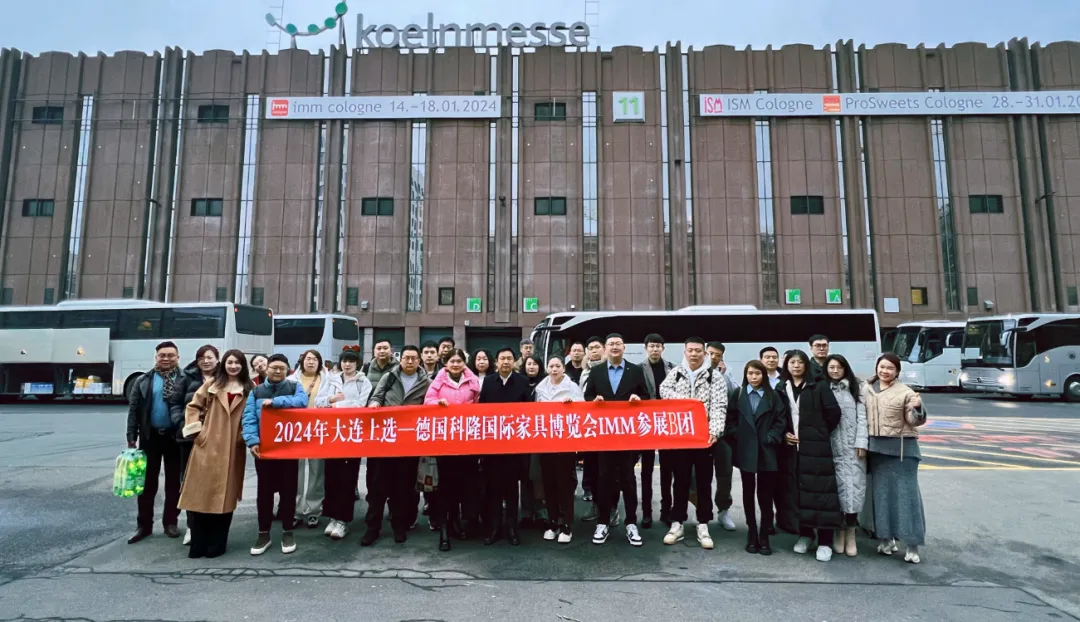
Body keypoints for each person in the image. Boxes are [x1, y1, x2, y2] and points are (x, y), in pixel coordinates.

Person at [178, 349, 253, 558]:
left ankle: (217, 543)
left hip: (233, 448)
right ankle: (198, 542)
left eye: (237, 363)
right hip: (206, 446)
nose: (233, 366)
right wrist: (198, 432)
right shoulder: (212, 384)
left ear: (243, 366)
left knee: (225, 496)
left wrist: (244, 437)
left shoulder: (249, 388)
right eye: (230, 362)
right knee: (200, 493)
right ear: (224, 364)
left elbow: (255, 415)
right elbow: (193, 406)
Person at [659, 337, 728, 550]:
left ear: (704, 353)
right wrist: (688, 402)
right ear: (685, 351)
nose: (694, 354)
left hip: (704, 438)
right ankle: (677, 522)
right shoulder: (676, 372)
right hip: (681, 436)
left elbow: (719, 405)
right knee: (679, 480)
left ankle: (703, 523)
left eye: (698, 350)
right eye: (690, 350)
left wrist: (715, 431)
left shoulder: (714, 376)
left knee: (704, 481)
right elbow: (663, 391)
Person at [362, 346, 432, 546]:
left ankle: (399, 526)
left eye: (413, 358)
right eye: (406, 358)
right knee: (377, 488)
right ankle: (372, 528)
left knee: (402, 488)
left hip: (409, 442)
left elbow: (431, 403)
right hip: (385, 439)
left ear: (419, 361)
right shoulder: (389, 377)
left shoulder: (426, 382)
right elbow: (377, 396)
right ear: (400, 360)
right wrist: (374, 405)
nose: (409, 361)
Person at [778, 349, 843, 562]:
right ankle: (805, 534)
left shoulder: (818, 386)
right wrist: (784, 434)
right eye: (792, 362)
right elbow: (779, 416)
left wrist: (818, 433)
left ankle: (825, 541)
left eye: (800, 362)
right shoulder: (782, 387)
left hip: (817, 449)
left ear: (806, 365)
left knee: (821, 494)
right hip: (792, 450)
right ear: (786, 365)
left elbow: (834, 413)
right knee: (799, 494)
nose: (796, 366)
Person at [584, 333, 648, 547]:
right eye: (610, 344)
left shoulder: (635, 371)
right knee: (604, 479)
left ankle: (631, 523)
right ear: (605, 348)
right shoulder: (596, 371)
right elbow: (587, 397)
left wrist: (638, 399)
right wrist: (594, 400)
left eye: (618, 344)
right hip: (604, 435)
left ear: (624, 347)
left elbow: (646, 397)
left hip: (628, 435)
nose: (614, 347)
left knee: (628, 479)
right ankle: (603, 522)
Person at [862, 353, 927, 564]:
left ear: (897, 371)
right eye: (882, 367)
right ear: (876, 368)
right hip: (876, 452)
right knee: (881, 499)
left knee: (907, 499)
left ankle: (912, 545)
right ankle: (887, 540)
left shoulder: (906, 392)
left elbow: (914, 421)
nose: (885, 371)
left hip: (902, 452)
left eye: (890, 368)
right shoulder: (866, 389)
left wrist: (918, 408)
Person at [241, 353, 308, 555]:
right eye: (274, 367)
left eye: (282, 368)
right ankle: (264, 533)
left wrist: (276, 402)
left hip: (289, 449)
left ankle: (288, 531)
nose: (278, 371)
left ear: (288, 370)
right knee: (264, 493)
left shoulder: (294, 387)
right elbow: (249, 417)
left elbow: (302, 401)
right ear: (267, 368)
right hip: (265, 450)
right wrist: (252, 441)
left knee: (289, 492)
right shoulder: (257, 391)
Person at [727, 360, 788, 555]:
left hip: (767, 450)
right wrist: (738, 435)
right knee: (747, 492)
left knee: (765, 495)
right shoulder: (738, 395)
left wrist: (771, 437)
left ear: (764, 375)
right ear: (745, 375)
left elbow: (781, 420)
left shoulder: (773, 396)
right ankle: (751, 532)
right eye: (750, 373)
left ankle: (764, 534)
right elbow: (730, 419)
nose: (753, 377)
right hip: (746, 450)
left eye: (757, 374)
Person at [126, 341, 184, 544]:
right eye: (162, 355)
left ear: (178, 358)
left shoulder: (185, 379)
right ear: (156, 357)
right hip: (150, 437)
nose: (166, 359)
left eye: (170, 355)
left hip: (175, 438)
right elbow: (134, 409)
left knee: (174, 483)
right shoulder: (143, 380)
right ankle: (144, 526)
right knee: (147, 484)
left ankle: (171, 522)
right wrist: (131, 435)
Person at [424, 349, 481, 551]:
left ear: (464, 363)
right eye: (452, 361)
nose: (456, 364)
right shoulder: (438, 381)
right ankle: (444, 529)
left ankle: (456, 523)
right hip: (445, 441)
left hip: (466, 441)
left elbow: (479, 405)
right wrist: (437, 403)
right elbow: (428, 400)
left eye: (459, 361)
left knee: (461, 486)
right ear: (446, 364)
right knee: (445, 487)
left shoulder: (473, 382)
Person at [479, 347, 533, 546]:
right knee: (493, 488)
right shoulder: (488, 381)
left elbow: (529, 412)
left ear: (515, 361)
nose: (506, 362)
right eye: (502, 358)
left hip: (514, 445)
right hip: (492, 445)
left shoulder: (522, 381)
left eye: (509, 358)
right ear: (496, 361)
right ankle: (494, 527)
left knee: (511, 489)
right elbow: (481, 411)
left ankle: (511, 527)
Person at [171, 344, 219, 546]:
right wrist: (182, 424)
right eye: (201, 358)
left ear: (217, 359)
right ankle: (192, 526)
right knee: (190, 483)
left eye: (209, 357)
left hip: (216, 440)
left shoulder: (225, 378)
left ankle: (212, 526)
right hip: (190, 439)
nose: (206, 361)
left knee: (213, 484)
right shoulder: (186, 377)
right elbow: (175, 404)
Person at [322, 350, 373, 541]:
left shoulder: (363, 382)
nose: (347, 364)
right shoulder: (332, 379)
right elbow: (320, 402)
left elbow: (361, 405)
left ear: (357, 363)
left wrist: (336, 405)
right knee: (331, 478)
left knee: (347, 479)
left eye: (351, 361)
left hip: (352, 435)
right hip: (331, 435)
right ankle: (332, 517)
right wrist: (330, 400)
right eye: (344, 361)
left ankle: (343, 520)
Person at [534, 355, 584, 543]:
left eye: (557, 366)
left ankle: (566, 524)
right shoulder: (540, 388)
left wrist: (572, 405)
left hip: (565, 443)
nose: (554, 369)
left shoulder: (572, 387)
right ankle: (552, 521)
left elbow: (582, 410)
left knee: (564, 484)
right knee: (549, 484)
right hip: (545, 442)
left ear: (563, 368)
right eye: (551, 366)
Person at [825, 354, 868, 557]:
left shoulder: (855, 388)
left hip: (853, 449)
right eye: (831, 367)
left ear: (845, 369)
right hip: (832, 448)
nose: (835, 371)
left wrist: (861, 443)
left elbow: (863, 418)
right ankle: (839, 531)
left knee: (854, 491)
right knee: (837, 492)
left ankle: (851, 532)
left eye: (839, 367)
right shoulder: (823, 389)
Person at [288, 349, 336, 529]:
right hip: (296, 430)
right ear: (302, 361)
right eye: (308, 359)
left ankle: (314, 511)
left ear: (319, 362)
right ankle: (295, 510)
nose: (311, 362)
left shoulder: (329, 380)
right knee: (295, 472)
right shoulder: (291, 380)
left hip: (319, 430)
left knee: (317, 471)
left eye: (315, 359)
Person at [639, 333, 674, 529]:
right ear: (646, 348)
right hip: (646, 424)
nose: (654, 349)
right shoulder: (638, 369)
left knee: (667, 470)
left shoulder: (672, 368)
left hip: (666, 423)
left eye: (658, 346)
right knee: (646, 470)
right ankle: (646, 513)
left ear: (663, 348)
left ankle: (666, 511)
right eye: (651, 346)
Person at [706, 341, 740, 533]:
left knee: (724, 474)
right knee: (695, 475)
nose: (713, 358)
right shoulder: (692, 372)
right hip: (699, 434)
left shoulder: (726, 374)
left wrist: (724, 374)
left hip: (722, 434)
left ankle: (723, 510)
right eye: (710, 353)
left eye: (717, 355)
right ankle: (700, 507)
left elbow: (735, 395)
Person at [577, 335, 607, 517]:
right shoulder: (585, 372)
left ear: (604, 349)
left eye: (597, 347)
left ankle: (609, 509)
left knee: (607, 470)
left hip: (606, 426)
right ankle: (596, 505)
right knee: (592, 467)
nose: (594, 351)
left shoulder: (607, 369)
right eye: (591, 348)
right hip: (588, 426)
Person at [519, 355, 547, 529]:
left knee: (539, 475)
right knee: (525, 475)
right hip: (521, 435)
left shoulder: (546, 383)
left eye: (535, 364)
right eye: (529, 364)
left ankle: (541, 511)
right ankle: (526, 513)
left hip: (540, 435)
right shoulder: (518, 382)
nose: (531, 367)